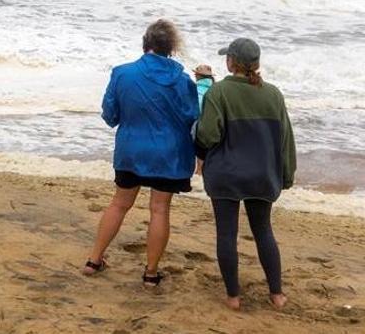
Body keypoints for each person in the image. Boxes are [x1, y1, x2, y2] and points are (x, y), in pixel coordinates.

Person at [83, 19, 199, 287]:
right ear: (171, 48)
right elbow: (191, 116)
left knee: (120, 204)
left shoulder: (123, 73)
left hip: (132, 149)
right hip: (169, 154)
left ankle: (94, 260)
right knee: (159, 209)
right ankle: (150, 273)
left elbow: (110, 115)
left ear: (145, 44)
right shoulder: (182, 81)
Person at [196, 38, 296, 311]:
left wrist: (195, 130)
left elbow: (208, 135)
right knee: (263, 231)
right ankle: (276, 294)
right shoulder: (273, 94)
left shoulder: (218, 93)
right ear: (257, 64)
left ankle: (233, 297)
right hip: (262, 175)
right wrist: (286, 175)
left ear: (231, 63)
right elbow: (286, 139)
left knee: (226, 233)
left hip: (226, 176)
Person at [192, 64, 215, 174]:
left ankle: (198, 172)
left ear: (197, 75)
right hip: (213, 126)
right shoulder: (215, 89)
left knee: (199, 159)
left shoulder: (194, 89)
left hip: (198, 126)